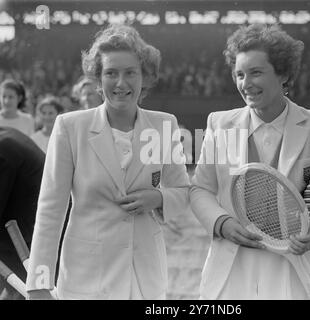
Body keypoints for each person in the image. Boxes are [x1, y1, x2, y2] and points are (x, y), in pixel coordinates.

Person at [26, 24, 190, 300]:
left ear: (145, 77)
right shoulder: (70, 127)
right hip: (86, 275)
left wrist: (158, 198)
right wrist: (39, 282)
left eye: (130, 73)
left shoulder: (164, 125)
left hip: (144, 276)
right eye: (111, 73)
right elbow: (50, 210)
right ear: (97, 79)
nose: (121, 83)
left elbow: (183, 192)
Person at [190, 24, 310, 300]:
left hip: (293, 270)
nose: (245, 83)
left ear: (284, 74)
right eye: (239, 74)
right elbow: (200, 189)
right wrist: (222, 223)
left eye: (256, 72)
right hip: (231, 266)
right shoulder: (219, 124)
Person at [0, 127, 45, 299]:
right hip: (24, 233)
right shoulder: (7, 135)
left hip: (24, 239)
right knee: (16, 289)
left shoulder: (4, 148)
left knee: (21, 289)